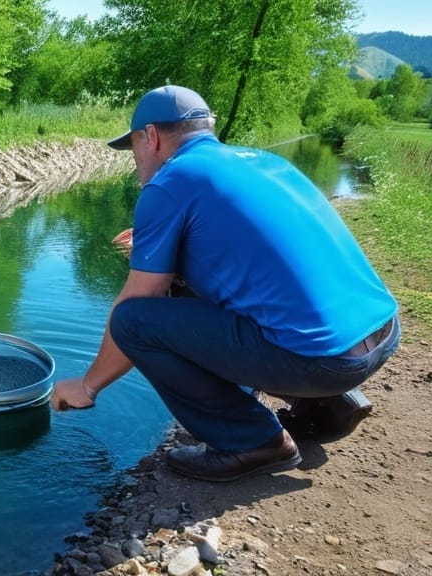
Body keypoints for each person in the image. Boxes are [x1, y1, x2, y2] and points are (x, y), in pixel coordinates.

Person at [50, 85, 400, 482]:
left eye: (133, 148)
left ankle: (253, 441)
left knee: (134, 321)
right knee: (198, 288)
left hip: (323, 362)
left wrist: (88, 385)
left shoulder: (168, 183)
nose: (136, 163)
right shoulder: (263, 161)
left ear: (150, 137)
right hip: (381, 334)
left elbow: (138, 298)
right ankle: (327, 405)